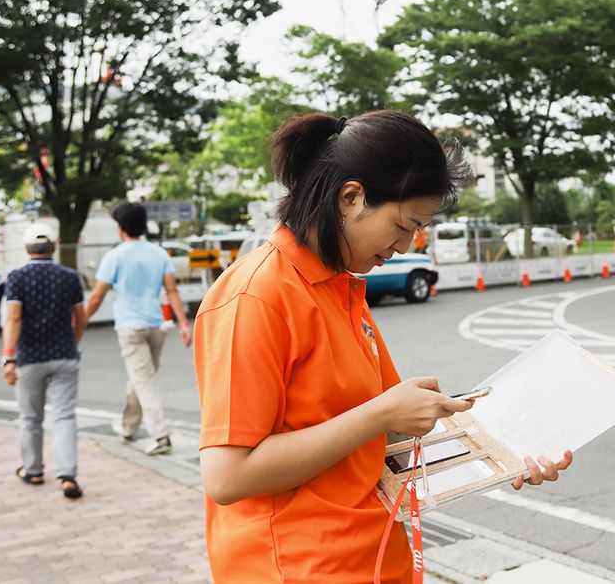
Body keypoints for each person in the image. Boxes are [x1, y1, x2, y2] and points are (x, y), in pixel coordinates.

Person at [193, 110, 574, 584]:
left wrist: (505, 449)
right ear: (350, 198)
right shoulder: (255, 296)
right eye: (403, 224)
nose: (405, 245)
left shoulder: (339, 286)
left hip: (374, 556)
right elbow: (228, 476)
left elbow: (380, 438)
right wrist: (381, 414)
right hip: (298, 569)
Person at [85, 202, 192, 456]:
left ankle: (160, 434)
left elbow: (97, 296)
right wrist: (184, 324)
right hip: (156, 326)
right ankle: (128, 427)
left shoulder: (115, 256)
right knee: (140, 378)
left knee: (143, 381)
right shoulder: (159, 254)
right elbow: (172, 291)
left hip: (130, 327)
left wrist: (80, 321)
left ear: (120, 228)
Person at [1, 222, 88, 499]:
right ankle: (67, 476)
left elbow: (14, 318)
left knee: (30, 418)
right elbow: (81, 316)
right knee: (63, 416)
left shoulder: (16, 277)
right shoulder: (70, 276)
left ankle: (34, 469)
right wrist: (73, 342)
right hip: (64, 355)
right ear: (55, 244)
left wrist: (8, 357)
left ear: (27, 248)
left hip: (29, 357)